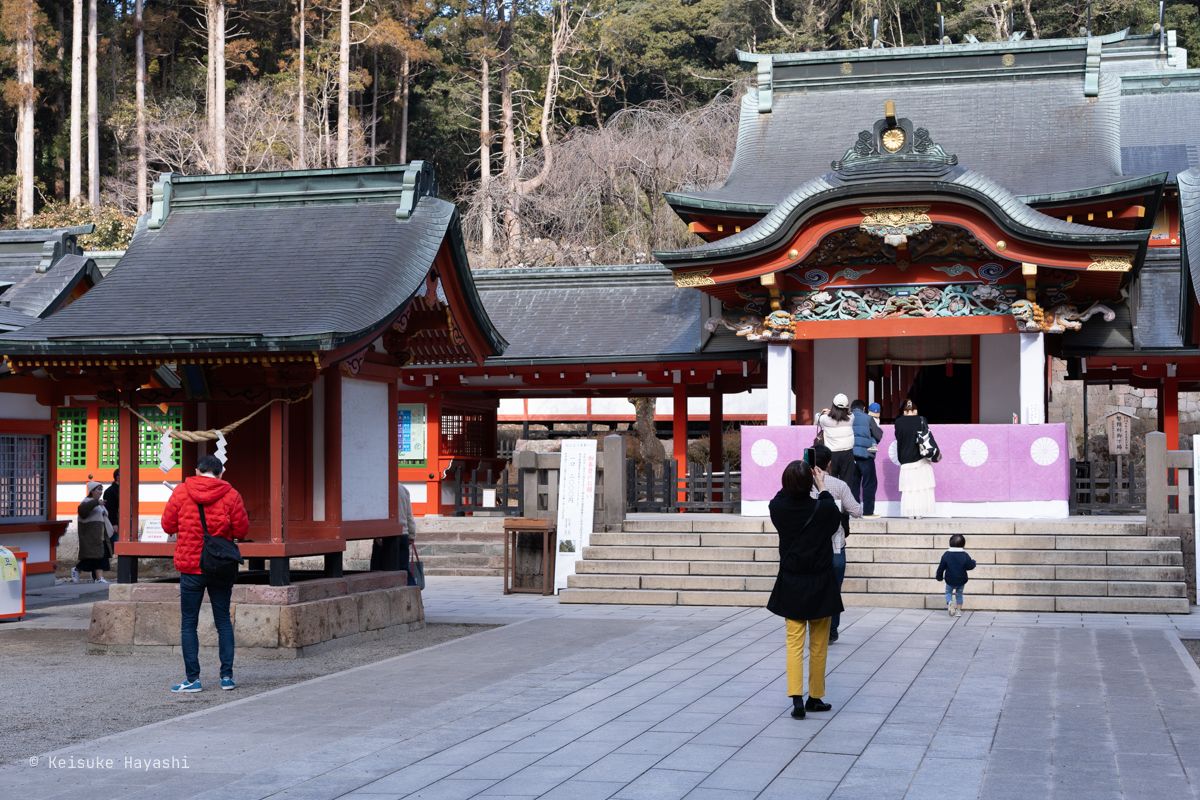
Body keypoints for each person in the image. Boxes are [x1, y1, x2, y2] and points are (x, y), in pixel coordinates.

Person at [161, 454, 249, 693]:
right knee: (223, 621)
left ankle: (193, 679)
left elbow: (167, 526)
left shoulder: (180, 493)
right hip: (220, 565)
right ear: (220, 474)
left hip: (191, 565)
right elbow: (241, 529)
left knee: (189, 623)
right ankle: (227, 677)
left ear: (197, 471)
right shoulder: (231, 495)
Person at [767, 459, 843, 720]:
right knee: (819, 644)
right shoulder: (823, 509)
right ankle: (815, 697)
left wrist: (795, 479)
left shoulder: (777, 508)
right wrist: (821, 485)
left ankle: (796, 699)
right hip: (820, 583)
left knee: (794, 643)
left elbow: (779, 495)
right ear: (810, 482)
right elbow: (834, 515)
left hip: (792, 582)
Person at [809, 445, 862, 643]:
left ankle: (814, 628)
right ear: (829, 463)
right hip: (835, 545)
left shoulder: (801, 484)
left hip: (811, 546)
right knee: (833, 589)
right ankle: (831, 630)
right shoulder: (839, 485)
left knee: (813, 586)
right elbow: (856, 511)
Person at [894, 399, 939, 518]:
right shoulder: (921, 420)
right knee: (921, 488)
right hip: (921, 459)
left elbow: (899, 438)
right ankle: (919, 513)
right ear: (915, 410)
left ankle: (910, 513)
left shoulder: (898, 422)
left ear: (904, 411)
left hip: (905, 460)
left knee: (909, 489)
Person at [73, 481, 112, 584]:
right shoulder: (87, 502)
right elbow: (82, 511)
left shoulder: (99, 503)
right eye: (98, 489)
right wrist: (96, 503)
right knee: (93, 557)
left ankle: (98, 578)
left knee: (100, 556)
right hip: (91, 535)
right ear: (92, 491)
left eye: (101, 489)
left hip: (100, 534)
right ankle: (77, 569)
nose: (100, 492)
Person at [815, 393, 858, 488]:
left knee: (831, 483)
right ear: (847, 407)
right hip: (848, 454)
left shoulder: (824, 419)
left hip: (832, 454)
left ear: (833, 405)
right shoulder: (851, 418)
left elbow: (817, 418)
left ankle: (832, 502)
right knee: (847, 485)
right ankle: (845, 502)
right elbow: (847, 414)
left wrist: (825, 412)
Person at [850, 399, 883, 516]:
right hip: (866, 456)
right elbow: (878, 434)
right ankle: (868, 512)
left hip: (851, 456)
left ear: (851, 408)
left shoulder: (847, 418)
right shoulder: (868, 418)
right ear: (864, 408)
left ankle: (854, 511)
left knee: (854, 484)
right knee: (869, 483)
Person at [936, 534, 976, 617]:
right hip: (961, 580)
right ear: (963, 544)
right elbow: (969, 566)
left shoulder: (946, 554)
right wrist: (973, 562)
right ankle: (958, 611)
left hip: (950, 579)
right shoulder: (965, 555)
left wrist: (939, 577)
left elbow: (941, 567)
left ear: (950, 543)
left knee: (948, 593)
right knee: (959, 594)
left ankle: (950, 602)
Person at [102, 469, 120, 550]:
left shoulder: (124, 489)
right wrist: (114, 523)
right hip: (114, 521)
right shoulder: (110, 491)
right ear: (117, 477)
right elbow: (110, 509)